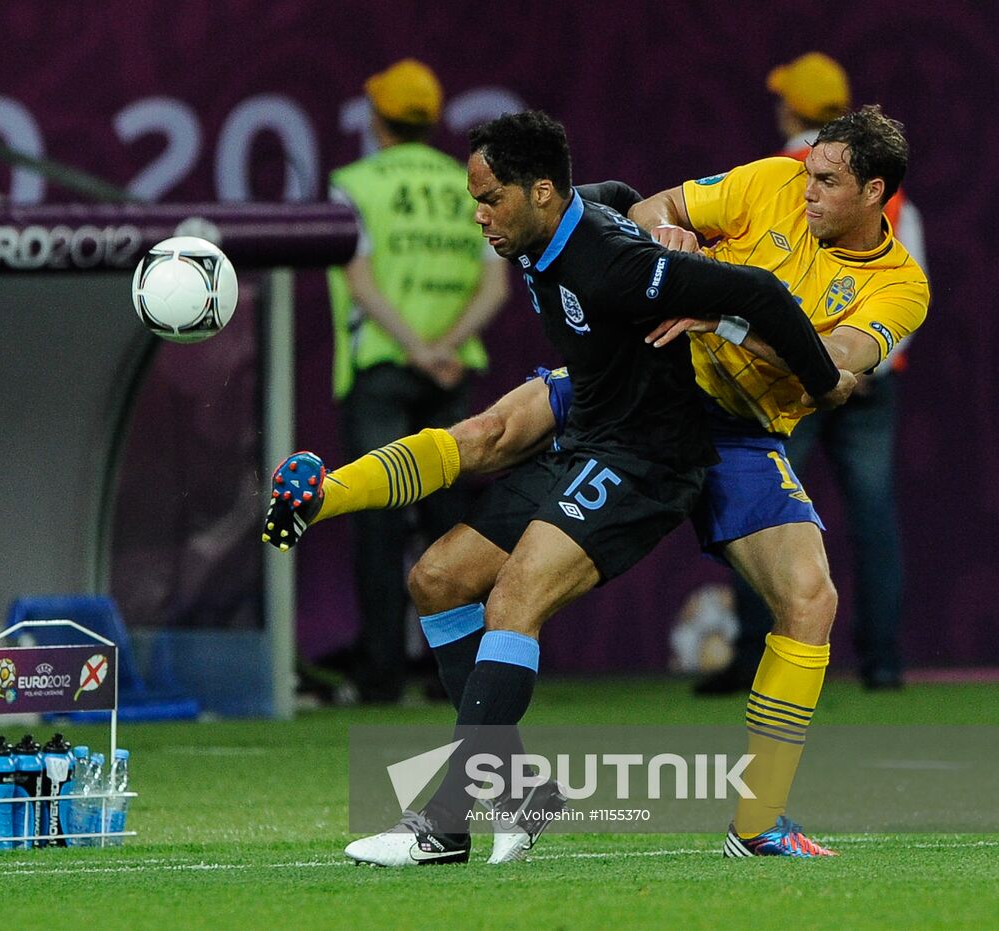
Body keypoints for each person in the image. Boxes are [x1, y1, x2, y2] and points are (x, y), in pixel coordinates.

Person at [267, 106, 926, 860]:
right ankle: (509, 788)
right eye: (809, 172)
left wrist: (716, 315)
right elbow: (652, 206)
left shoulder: (901, 287)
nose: (806, 189)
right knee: (448, 552)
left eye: (828, 181)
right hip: (643, 373)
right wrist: (667, 238)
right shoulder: (772, 182)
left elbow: (831, 365)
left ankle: (757, 824)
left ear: (875, 192)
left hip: (738, 427)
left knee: (810, 600)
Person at [699, 53, 928, 694]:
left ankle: (753, 653)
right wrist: (868, 355)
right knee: (873, 518)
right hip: (871, 378)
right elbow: (912, 281)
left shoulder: (790, 174)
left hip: (784, 377)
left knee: (759, 507)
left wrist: (746, 333)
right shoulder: (885, 188)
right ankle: (883, 662)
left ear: (791, 109)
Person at [323, 59, 509, 702]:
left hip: (383, 366)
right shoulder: (467, 184)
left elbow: (359, 281)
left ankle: (380, 675)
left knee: (377, 516)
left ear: (377, 119)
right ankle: (452, 671)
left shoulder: (354, 184)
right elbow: (495, 284)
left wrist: (414, 348)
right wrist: (445, 348)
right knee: (451, 525)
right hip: (450, 374)